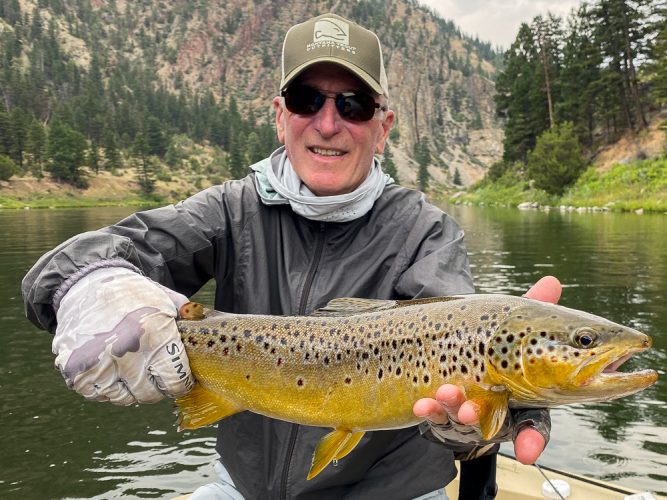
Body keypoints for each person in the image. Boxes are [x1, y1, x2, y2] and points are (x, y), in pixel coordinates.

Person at [22, 13, 557, 500]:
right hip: (245, 488)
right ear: (281, 117)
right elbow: (67, 264)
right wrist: (93, 287)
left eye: (354, 105)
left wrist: (495, 413)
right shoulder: (228, 211)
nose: (328, 124)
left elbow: (461, 330)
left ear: (383, 128)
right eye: (307, 100)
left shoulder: (426, 232)